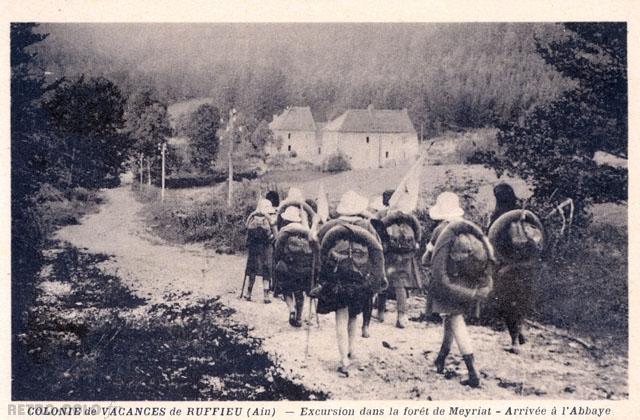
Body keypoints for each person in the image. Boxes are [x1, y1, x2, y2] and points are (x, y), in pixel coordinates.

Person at [422, 192, 495, 388]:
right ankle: (441, 358)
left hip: (448, 284)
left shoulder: (441, 230)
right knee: (450, 319)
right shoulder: (469, 229)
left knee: (455, 321)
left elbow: (426, 259)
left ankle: (473, 372)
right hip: (467, 283)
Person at [313, 190, 387, 376]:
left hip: (337, 276)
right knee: (354, 315)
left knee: (341, 317)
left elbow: (317, 244)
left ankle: (343, 359)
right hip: (360, 277)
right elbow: (378, 252)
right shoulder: (367, 226)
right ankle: (352, 350)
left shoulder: (332, 225)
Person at [487, 185, 544, 354]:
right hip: (526, 265)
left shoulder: (499, 217)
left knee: (508, 302)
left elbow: (492, 239)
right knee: (521, 299)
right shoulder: (522, 215)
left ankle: (514, 341)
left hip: (507, 266)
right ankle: (519, 332)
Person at [379, 209, 424, 328]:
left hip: (391, 255)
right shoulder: (410, 217)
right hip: (406, 255)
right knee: (400, 284)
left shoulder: (387, 215)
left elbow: (379, 227)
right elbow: (418, 229)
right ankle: (401, 315)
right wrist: (417, 241)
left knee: (384, 281)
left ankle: (381, 312)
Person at [273, 206, 316, 327]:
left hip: (289, 267)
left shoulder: (285, 231)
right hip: (304, 268)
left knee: (286, 289)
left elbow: (278, 250)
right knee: (300, 292)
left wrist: (278, 262)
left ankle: (291, 309)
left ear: (286, 219)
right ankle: (298, 318)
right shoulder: (305, 230)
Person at [244, 199, 277, 303]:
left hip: (254, 248)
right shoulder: (269, 220)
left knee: (252, 270)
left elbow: (247, 236)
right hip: (266, 248)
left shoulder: (252, 220)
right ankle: (266, 296)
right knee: (266, 270)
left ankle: (248, 293)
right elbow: (275, 236)